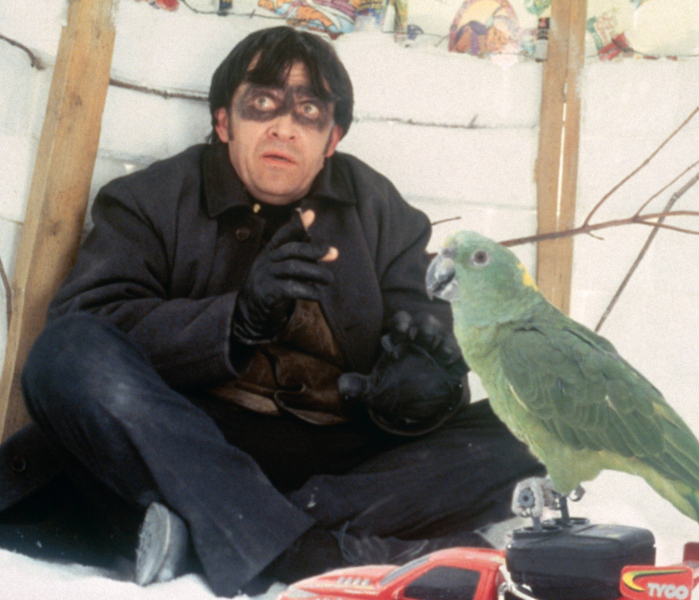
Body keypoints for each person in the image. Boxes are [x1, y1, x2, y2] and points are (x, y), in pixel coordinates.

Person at [0, 27, 542, 597]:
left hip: (338, 463)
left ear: (332, 138)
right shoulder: (149, 200)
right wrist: (235, 320)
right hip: (192, 444)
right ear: (223, 122)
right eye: (262, 103)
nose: (284, 127)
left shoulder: (378, 209)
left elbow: (426, 324)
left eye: (308, 111)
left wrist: (419, 386)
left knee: (535, 421)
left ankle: (232, 527)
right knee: (66, 352)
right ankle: (306, 551)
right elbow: (90, 323)